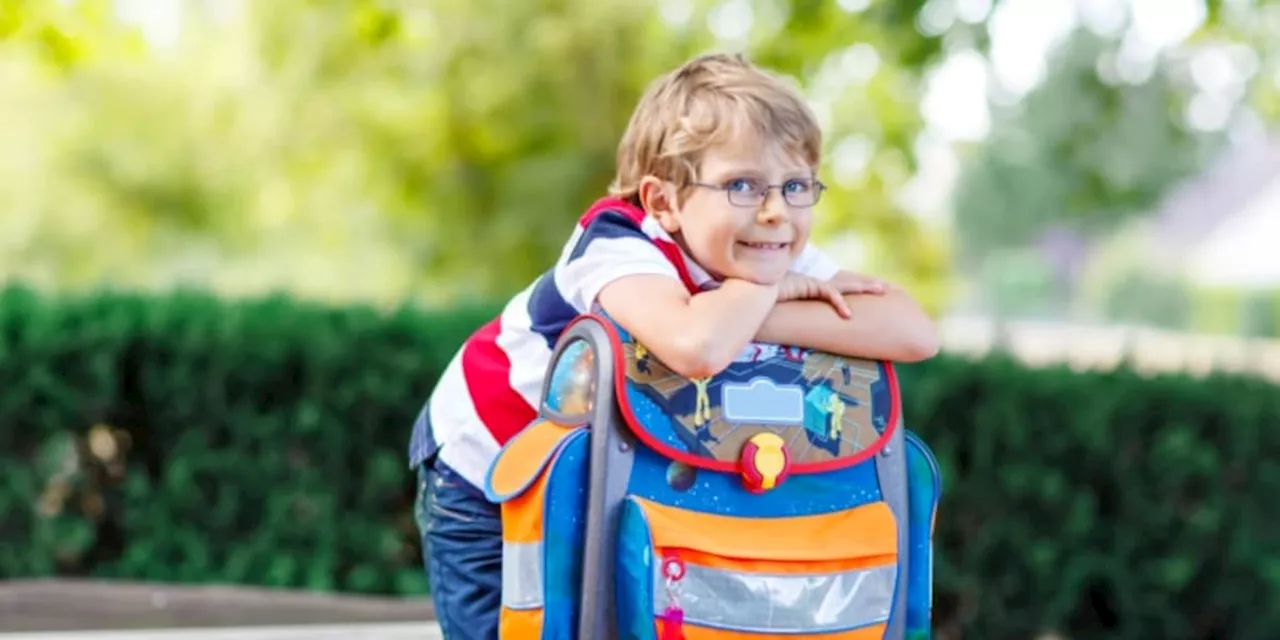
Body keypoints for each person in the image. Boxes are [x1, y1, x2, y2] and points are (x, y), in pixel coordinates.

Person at [408, 51, 939, 640]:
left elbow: (912, 332)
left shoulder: (760, 257)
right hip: (489, 470)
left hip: (609, 462)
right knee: (536, 622)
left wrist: (756, 304)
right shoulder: (615, 243)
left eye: (795, 186)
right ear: (663, 201)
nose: (774, 212)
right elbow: (698, 345)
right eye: (741, 185)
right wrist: (768, 297)